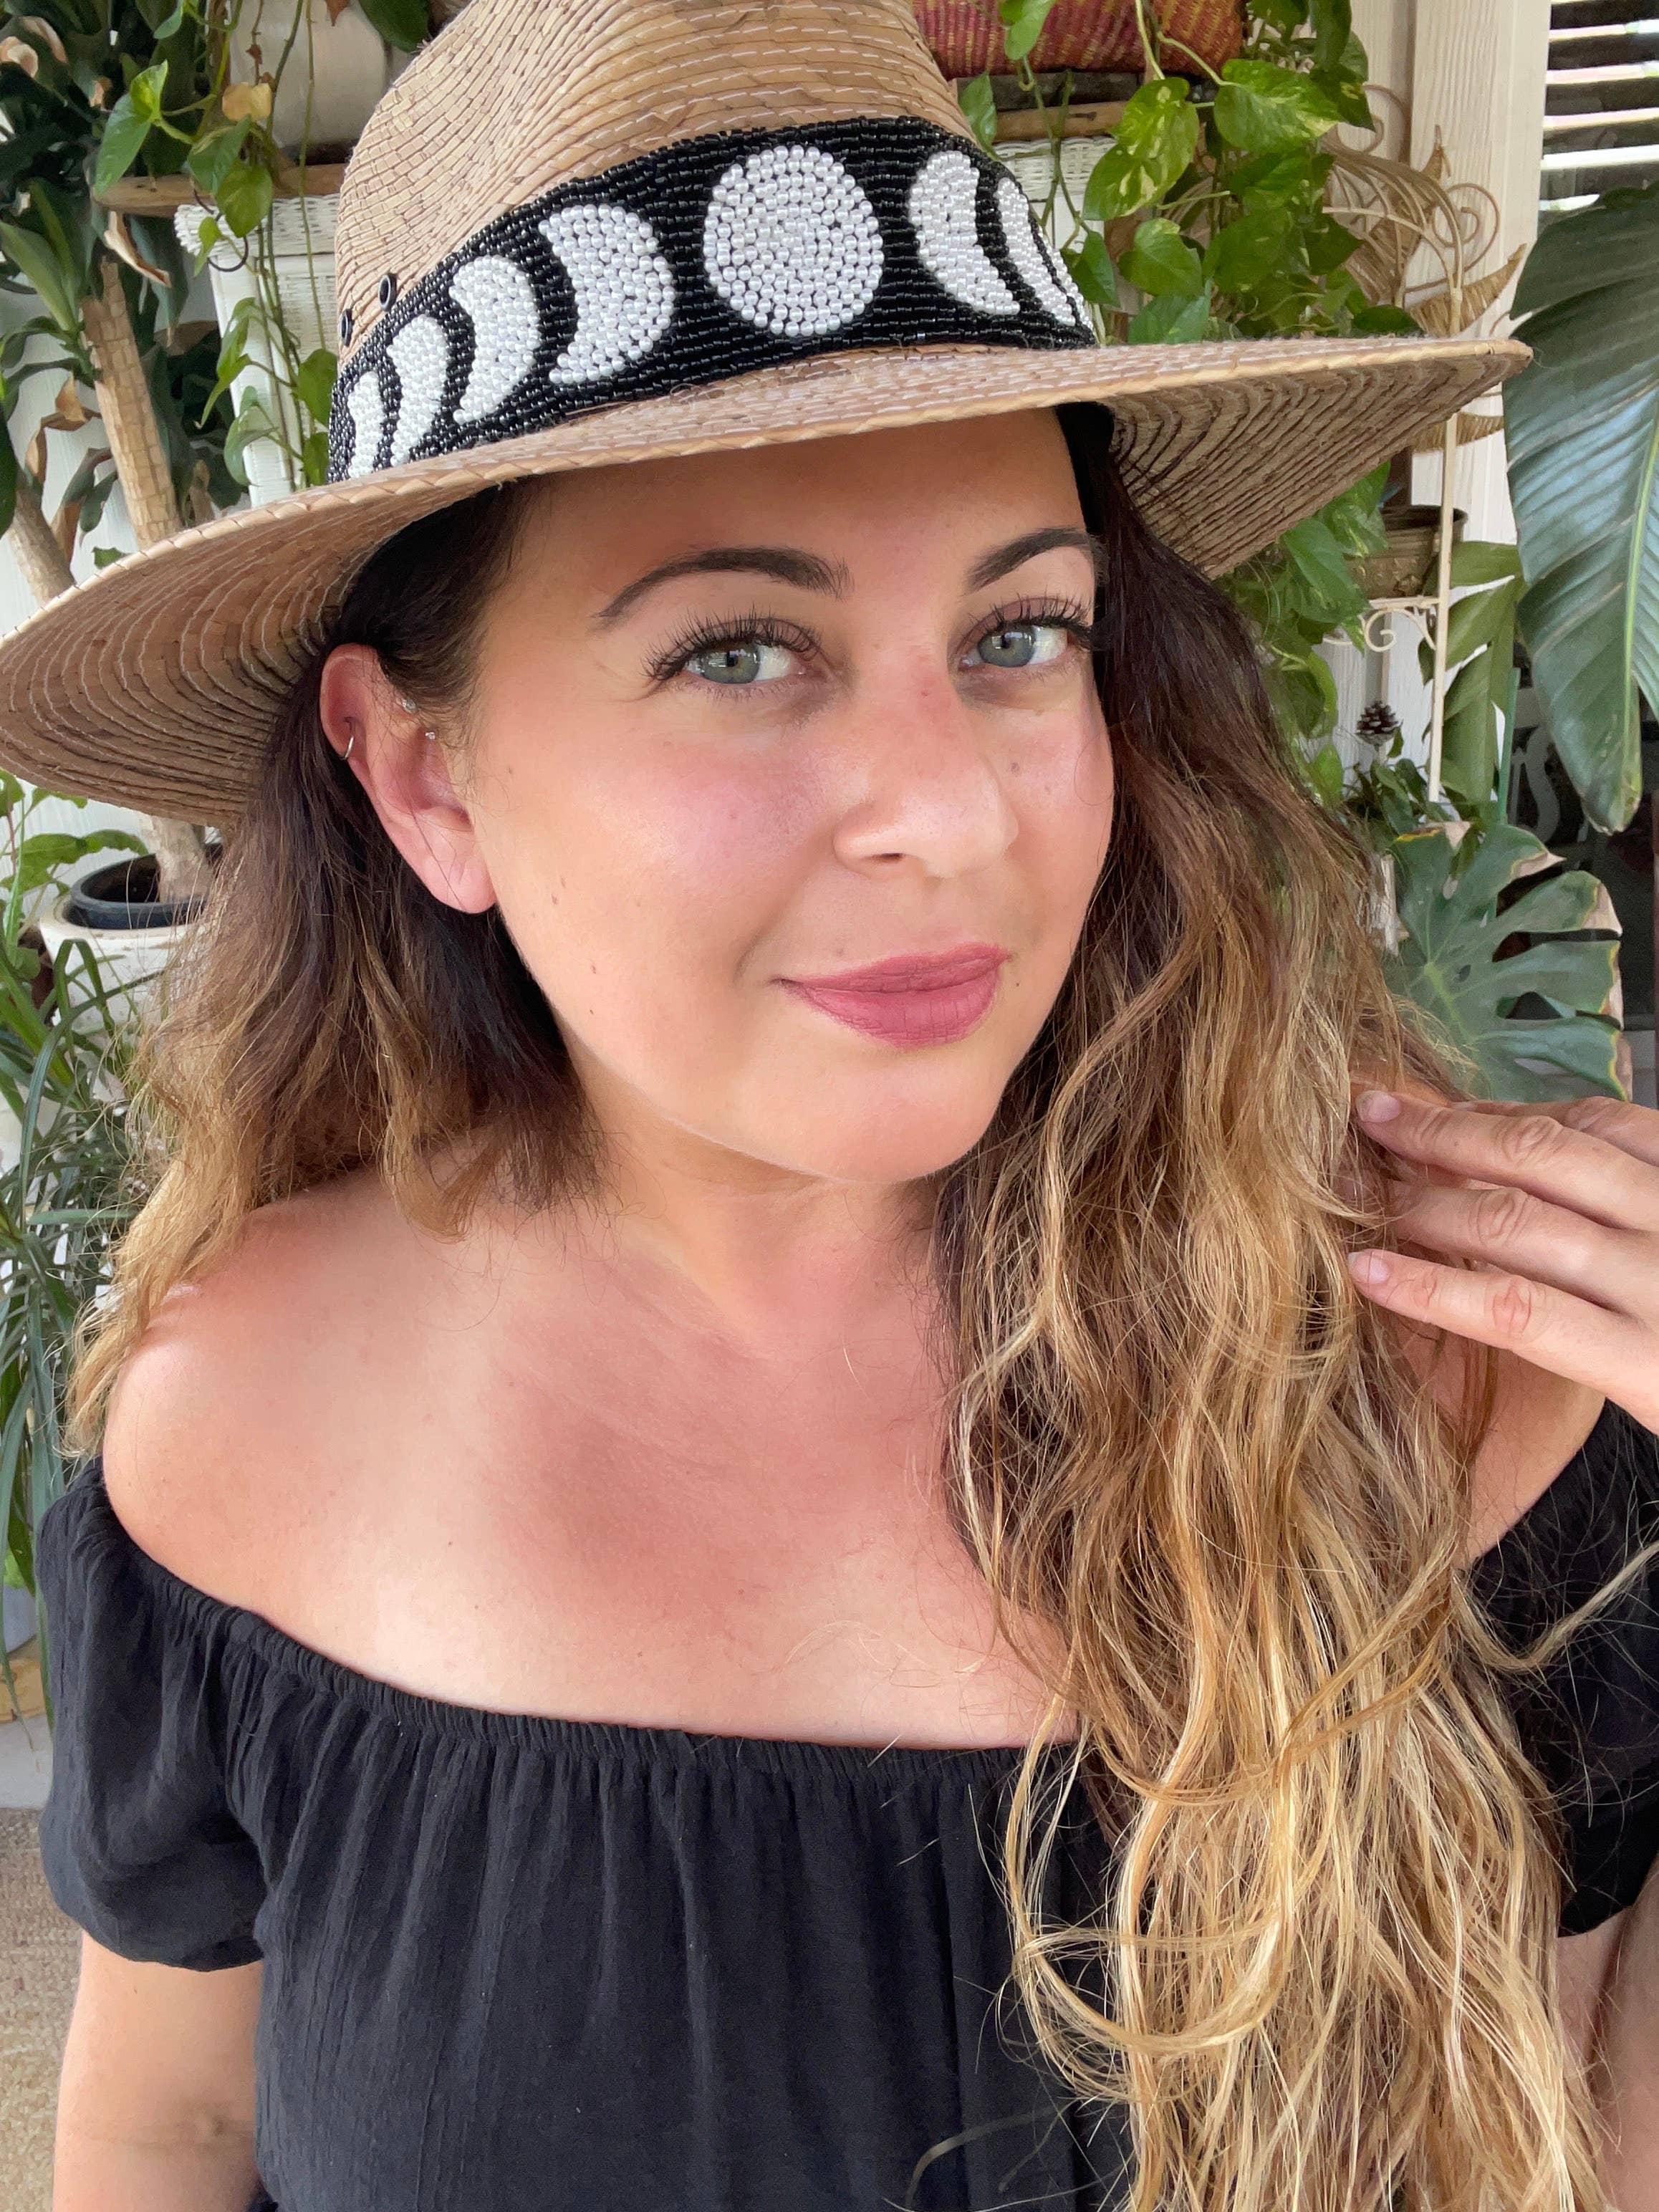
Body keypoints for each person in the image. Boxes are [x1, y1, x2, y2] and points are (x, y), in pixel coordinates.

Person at [3, 4, 1655, 2210]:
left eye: (1018, 635)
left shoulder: (1445, 1379)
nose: (945, 811)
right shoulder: (237, 1424)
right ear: (425, 778)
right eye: (736, 652)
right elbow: (173, 2120)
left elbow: (1573, 2128)